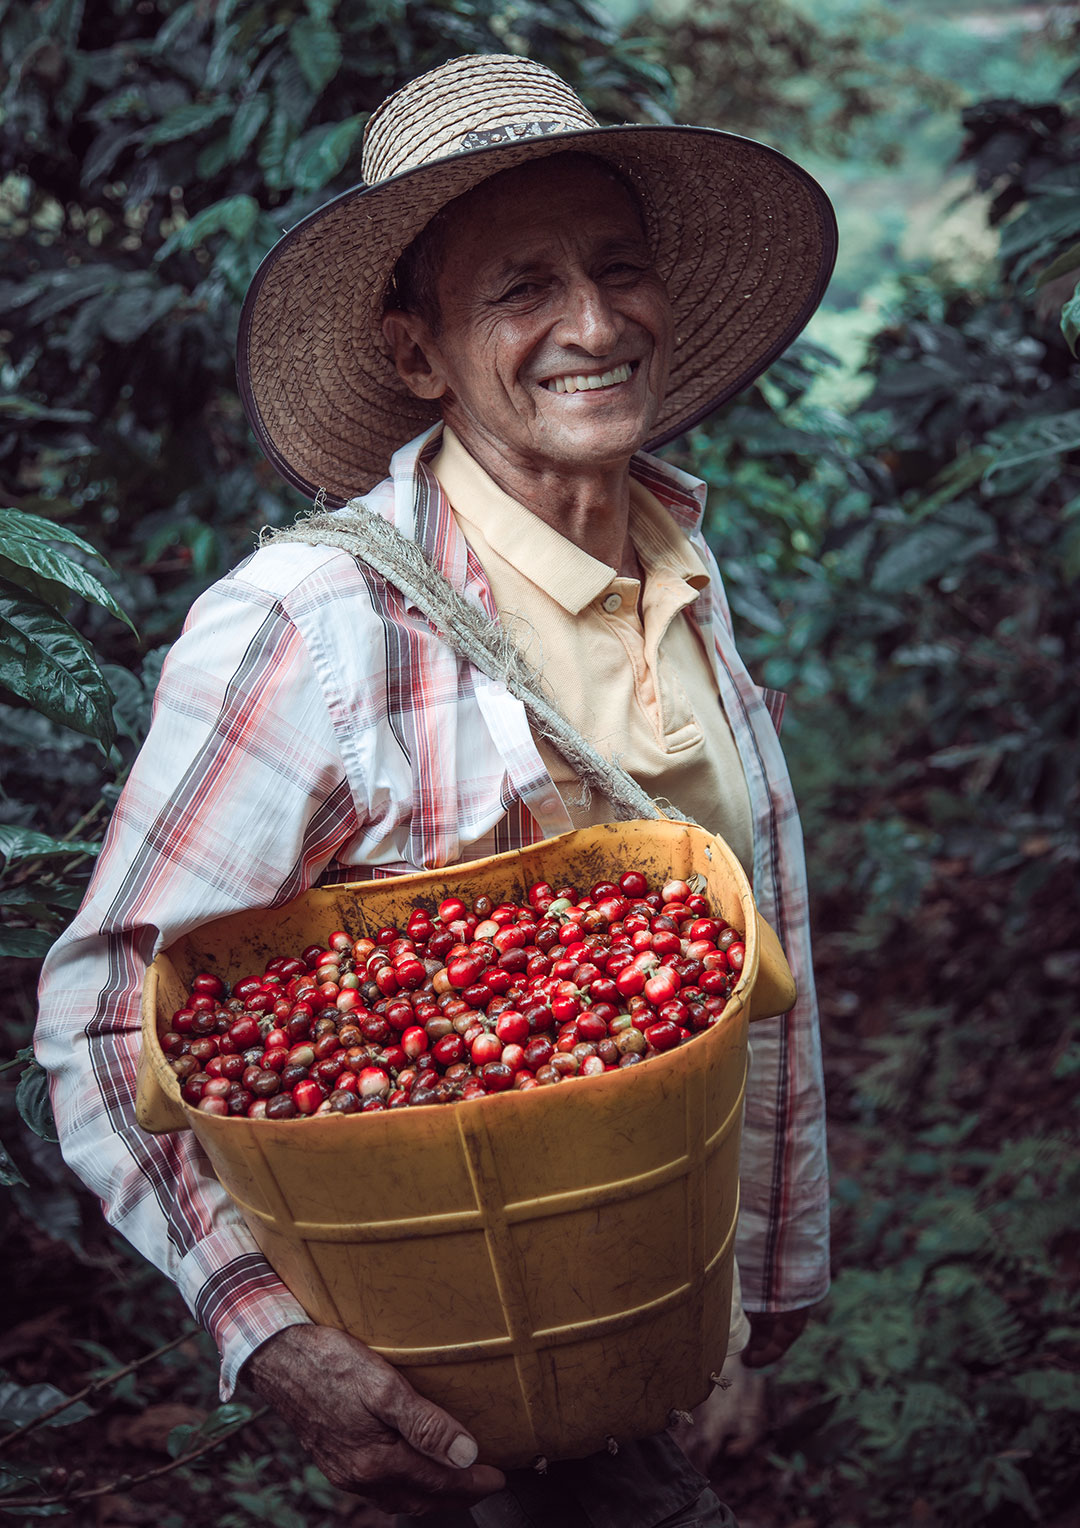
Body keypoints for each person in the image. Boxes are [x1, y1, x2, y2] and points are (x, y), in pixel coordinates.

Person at [36, 53, 835, 1526]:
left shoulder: (678, 568)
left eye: (618, 270)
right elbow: (102, 1016)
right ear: (417, 352)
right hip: (447, 1400)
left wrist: (737, 1318)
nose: (593, 326)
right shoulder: (314, 627)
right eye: (520, 288)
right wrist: (270, 1338)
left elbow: (740, 978)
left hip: (645, 1345)